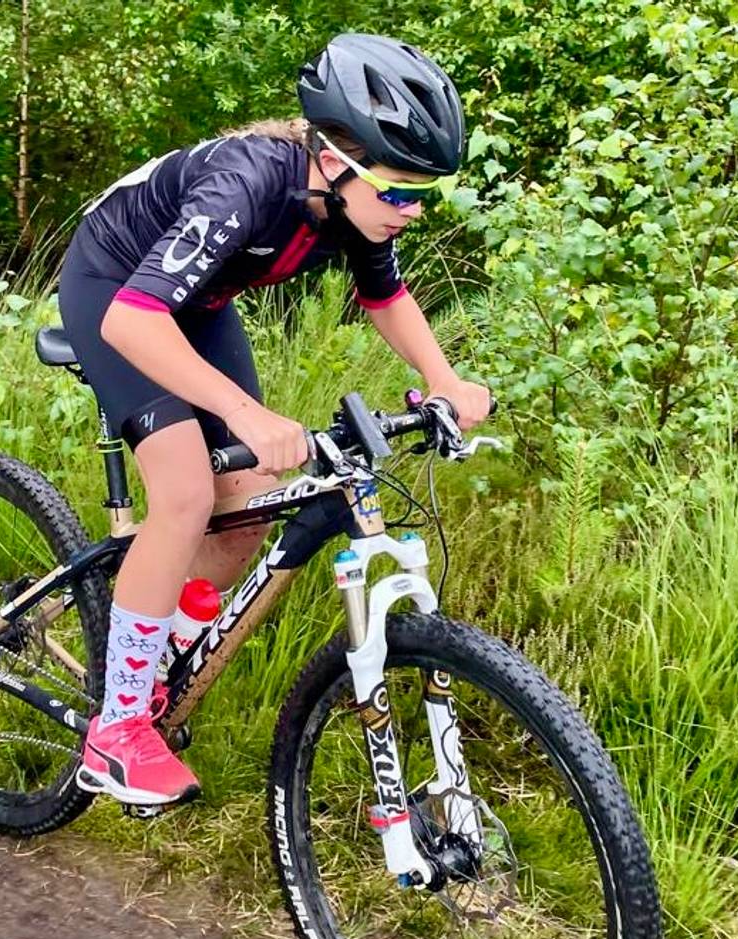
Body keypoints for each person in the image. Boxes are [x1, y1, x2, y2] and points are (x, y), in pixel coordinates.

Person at [59, 33, 492, 807]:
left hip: (195, 303)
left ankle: (156, 648)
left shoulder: (355, 207)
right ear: (333, 160)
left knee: (250, 505)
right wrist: (243, 411)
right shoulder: (248, 183)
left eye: (425, 192)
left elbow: (385, 298)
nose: (414, 209)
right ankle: (117, 731)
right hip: (116, 289)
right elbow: (134, 320)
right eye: (399, 192)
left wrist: (445, 381)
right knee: (187, 493)